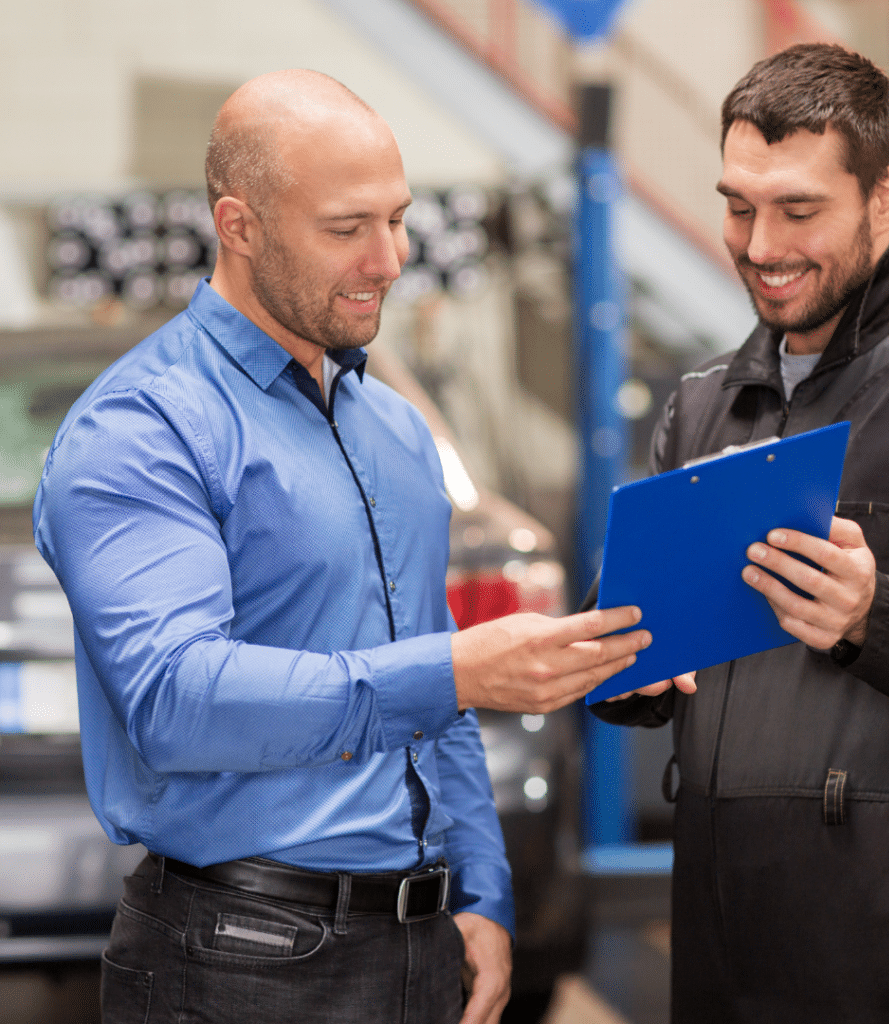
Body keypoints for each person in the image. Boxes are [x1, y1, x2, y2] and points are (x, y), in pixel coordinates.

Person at [33, 70, 653, 1024]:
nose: (389, 258)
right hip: (237, 959)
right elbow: (175, 700)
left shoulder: (397, 435)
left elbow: (436, 704)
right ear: (237, 226)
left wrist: (481, 891)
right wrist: (448, 670)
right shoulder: (144, 427)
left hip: (412, 945)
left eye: (398, 219)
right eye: (346, 228)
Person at [590, 43, 889, 1023]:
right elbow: (626, 646)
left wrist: (877, 616)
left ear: (884, 197)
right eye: (738, 205)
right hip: (711, 906)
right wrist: (622, 659)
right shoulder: (699, 404)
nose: (758, 243)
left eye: (798, 209)